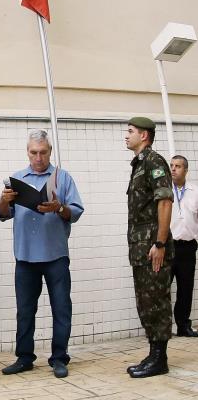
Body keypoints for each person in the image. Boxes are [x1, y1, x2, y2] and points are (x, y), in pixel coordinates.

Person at [0, 130, 84, 379]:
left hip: (55, 255)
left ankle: (59, 358)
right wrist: (3, 199)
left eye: (43, 152)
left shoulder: (62, 178)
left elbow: (75, 212)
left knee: (61, 308)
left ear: (50, 152)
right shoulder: (15, 179)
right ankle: (24, 358)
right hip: (24, 257)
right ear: (27, 152)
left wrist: (59, 207)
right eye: (34, 152)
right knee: (24, 310)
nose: (38, 157)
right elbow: (2, 213)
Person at [124, 116, 174, 378]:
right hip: (141, 247)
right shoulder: (139, 164)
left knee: (156, 301)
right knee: (146, 302)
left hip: (154, 246)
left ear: (144, 135)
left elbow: (165, 202)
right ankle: (155, 353)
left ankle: (160, 359)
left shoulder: (154, 161)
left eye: (130, 131)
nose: (126, 134)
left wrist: (160, 243)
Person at [170, 155, 198, 337]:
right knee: (162, 288)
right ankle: (162, 328)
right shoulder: (163, 190)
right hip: (167, 246)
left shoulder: (195, 191)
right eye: (171, 166)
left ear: (185, 170)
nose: (173, 169)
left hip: (188, 247)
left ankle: (183, 326)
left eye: (178, 166)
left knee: (185, 288)